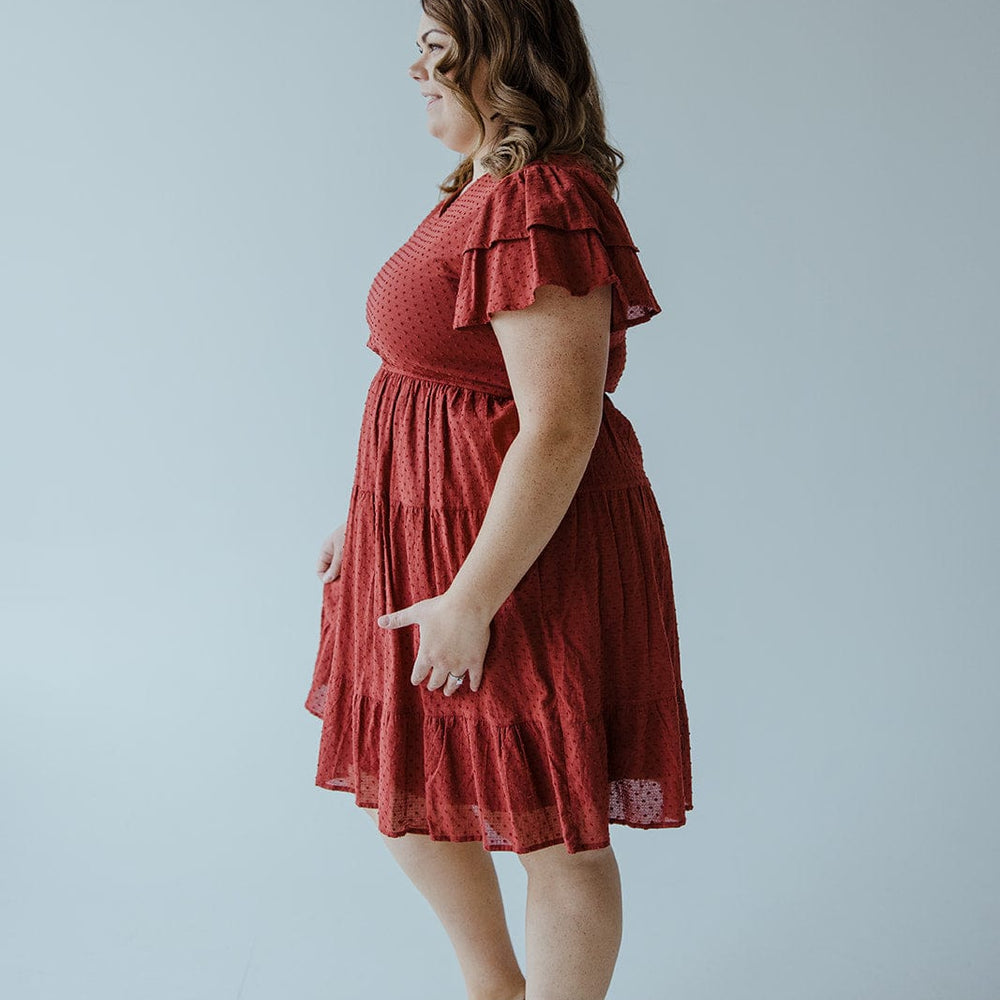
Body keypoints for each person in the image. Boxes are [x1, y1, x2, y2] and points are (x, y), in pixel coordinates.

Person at [306, 2, 692, 998]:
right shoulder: (481, 185)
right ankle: (495, 990)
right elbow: (435, 371)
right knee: (419, 794)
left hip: (517, 555)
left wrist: (472, 597)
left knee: (551, 829)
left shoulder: (538, 197)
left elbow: (560, 424)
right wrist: (368, 515)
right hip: (435, 542)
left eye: (437, 51)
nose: (414, 71)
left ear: (501, 57)